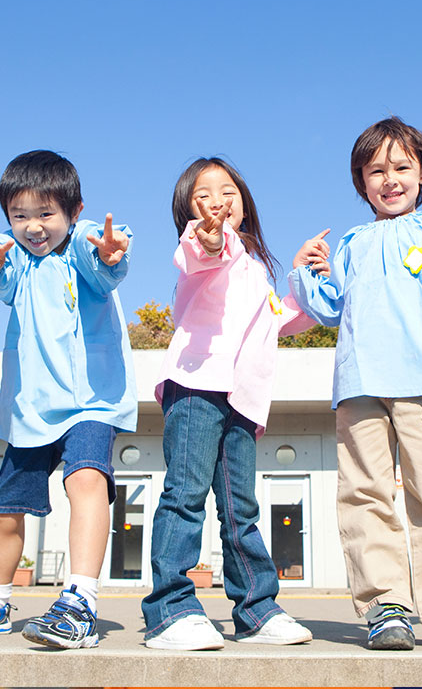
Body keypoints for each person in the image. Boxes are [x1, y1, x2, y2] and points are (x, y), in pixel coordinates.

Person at [288, 116, 422, 651]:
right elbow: (330, 309)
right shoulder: (353, 242)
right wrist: (304, 272)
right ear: (361, 182)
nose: (390, 179)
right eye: (376, 170)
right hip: (359, 383)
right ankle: (385, 606)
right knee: (364, 492)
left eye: (402, 167)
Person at [0, 150, 136, 649]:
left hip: (91, 400)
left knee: (86, 479)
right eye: (19, 216)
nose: (33, 227)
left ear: (73, 210)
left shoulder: (84, 244)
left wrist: (111, 253)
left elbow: (105, 264)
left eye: (46, 214)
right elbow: (1, 284)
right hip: (30, 409)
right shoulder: (17, 258)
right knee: (4, 508)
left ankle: (80, 599)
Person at [141, 157, 315, 650]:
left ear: (244, 199)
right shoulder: (202, 247)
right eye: (204, 194)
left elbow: (279, 319)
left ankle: (257, 610)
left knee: (241, 507)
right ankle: (170, 610)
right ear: (188, 210)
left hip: (241, 397)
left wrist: (301, 273)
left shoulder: (255, 264)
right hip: (197, 385)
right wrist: (209, 238)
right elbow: (200, 251)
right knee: (185, 496)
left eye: (228, 191)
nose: (218, 201)